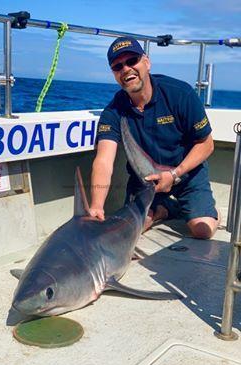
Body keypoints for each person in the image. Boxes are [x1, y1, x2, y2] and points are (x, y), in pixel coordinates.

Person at [89, 36, 220, 239]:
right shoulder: (113, 112)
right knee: (129, 231)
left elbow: (206, 144)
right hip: (145, 182)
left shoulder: (180, 94)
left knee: (202, 230)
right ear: (114, 74)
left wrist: (175, 175)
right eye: (118, 66)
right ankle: (164, 209)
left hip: (186, 173)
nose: (126, 69)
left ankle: (206, 210)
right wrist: (96, 206)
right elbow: (104, 160)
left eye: (132, 61)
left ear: (147, 62)